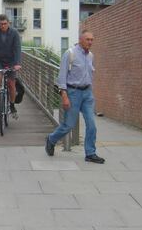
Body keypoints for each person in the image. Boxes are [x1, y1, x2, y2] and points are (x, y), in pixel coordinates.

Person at [45, 29, 105, 164]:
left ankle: (90, 153)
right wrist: (64, 96)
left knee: (92, 125)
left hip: (87, 94)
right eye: (88, 39)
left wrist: (90, 90)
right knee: (68, 125)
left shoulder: (90, 56)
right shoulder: (70, 54)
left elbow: (89, 74)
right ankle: (51, 139)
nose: (90, 42)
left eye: (92, 40)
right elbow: (61, 77)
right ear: (80, 40)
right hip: (73, 93)